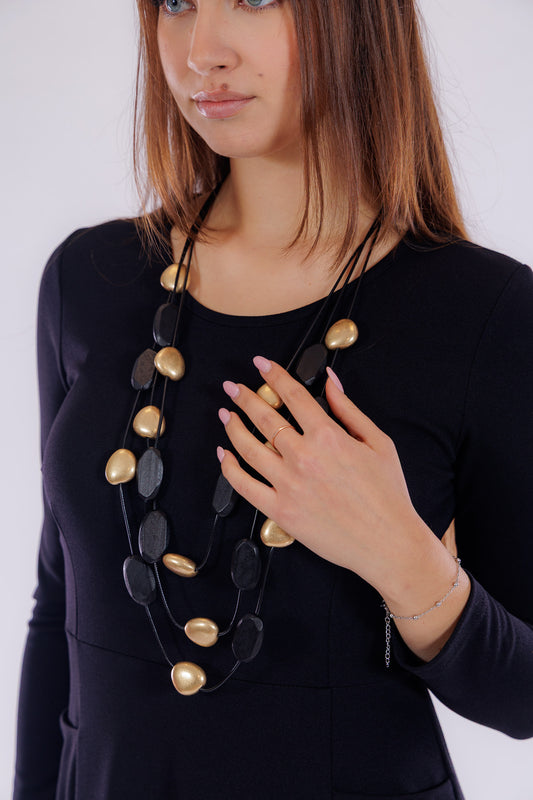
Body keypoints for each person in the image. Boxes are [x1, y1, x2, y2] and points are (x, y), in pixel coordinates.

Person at [13, 0, 533, 798]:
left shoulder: (484, 313)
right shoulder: (87, 280)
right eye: (176, 3)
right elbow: (60, 613)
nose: (201, 50)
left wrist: (402, 559)